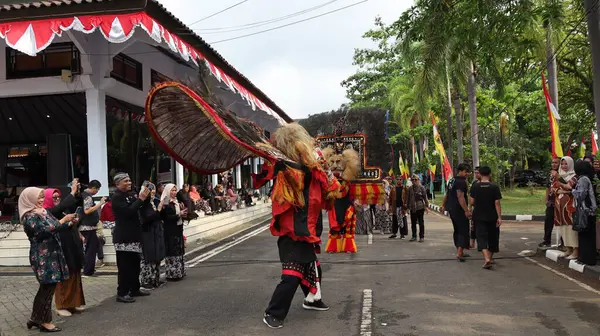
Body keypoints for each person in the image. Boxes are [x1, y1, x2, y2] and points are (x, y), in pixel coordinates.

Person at [254, 123, 340, 329]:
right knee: (291, 275)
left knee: (313, 268)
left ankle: (312, 299)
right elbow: (265, 175)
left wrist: (326, 169)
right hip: (292, 232)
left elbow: (333, 189)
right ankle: (273, 312)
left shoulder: (317, 167)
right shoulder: (283, 165)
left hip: (309, 230)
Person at [20, 187, 77, 332]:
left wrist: (68, 223)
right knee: (47, 287)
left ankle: (35, 318)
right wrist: (63, 220)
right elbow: (43, 231)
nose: (40, 200)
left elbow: (55, 226)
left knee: (47, 288)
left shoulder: (44, 212)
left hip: (53, 254)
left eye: (41, 197)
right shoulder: (29, 216)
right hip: (42, 256)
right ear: (29, 199)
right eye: (37, 198)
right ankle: (44, 322)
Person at [43, 182, 86, 318]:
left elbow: (71, 209)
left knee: (74, 273)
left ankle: (72, 303)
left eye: (58, 197)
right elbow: (59, 213)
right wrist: (72, 192)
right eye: (53, 197)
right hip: (58, 248)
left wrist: (73, 223)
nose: (56, 199)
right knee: (64, 276)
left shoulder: (61, 210)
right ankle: (61, 305)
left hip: (71, 245)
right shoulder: (46, 212)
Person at [111, 173, 151, 303]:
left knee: (135, 264)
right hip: (123, 237)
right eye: (126, 181)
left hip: (134, 235)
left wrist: (145, 197)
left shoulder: (130, 195)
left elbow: (139, 206)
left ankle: (134, 288)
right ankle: (122, 292)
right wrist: (140, 199)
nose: (129, 183)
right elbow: (128, 212)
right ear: (117, 184)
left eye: (129, 180)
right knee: (124, 266)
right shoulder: (116, 197)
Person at [469, 166, 502, 269]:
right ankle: (490, 258)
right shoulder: (494, 187)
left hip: (478, 215)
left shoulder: (475, 186)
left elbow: (472, 201)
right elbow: (497, 202)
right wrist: (499, 217)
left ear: (480, 174)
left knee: (481, 237)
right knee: (493, 237)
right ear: (490, 174)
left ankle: (486, 258)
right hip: (492, 216)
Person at [442, 163, 471, 261]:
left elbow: (447, 194)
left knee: (457, 229)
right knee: (463, 230)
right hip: (459, 209)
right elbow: (460, 196)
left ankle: (460, 251)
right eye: (466, 172)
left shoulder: (452, 180)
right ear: (461, 171)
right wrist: (466, 210)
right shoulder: (461, 182)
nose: (468, 174)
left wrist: (443, 205)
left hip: (451, 209)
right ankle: (459, 253)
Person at [140, 183, 167, 289]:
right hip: (147, 233)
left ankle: (156, 279)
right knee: (149, 256)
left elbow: (162, 216)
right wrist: (158, 210)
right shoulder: (142, 205)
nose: (153, 192)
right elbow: (146, 218)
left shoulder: (155, 202)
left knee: (157, 255)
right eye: (150, 190)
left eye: (154, 190)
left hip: (157, 231)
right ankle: (147, 281)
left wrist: (163, 208)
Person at [159, 183, 188, 281]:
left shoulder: (177, 201)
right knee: (172, 251)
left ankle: (179, 272)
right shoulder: (165, 203)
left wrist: (183, 213)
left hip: (178, 228)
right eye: (172, 190)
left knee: (179, 250)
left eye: (175, 190)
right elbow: (166, 218)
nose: (174, 192)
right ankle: (172, 273)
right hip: (170, 230)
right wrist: (179, 214)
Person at [572, 160, 597, 265]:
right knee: (586, 235)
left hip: (585, 210)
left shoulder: (583, 179)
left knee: (585, 235)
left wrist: (572, 191)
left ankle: (586, 259)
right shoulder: (587, 178)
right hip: (589, 210)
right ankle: (584, 258)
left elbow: (580, 195)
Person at [553, 156, 579, 259]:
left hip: (569, 207)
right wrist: (560, 190)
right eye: (562, 164)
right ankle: (568, 249)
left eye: (566, 164)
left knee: (571, 228)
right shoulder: (560, 174)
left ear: (571, 164)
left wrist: (560, 183)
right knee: (562, 228)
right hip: (559, 208)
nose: (563, 166)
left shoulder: (574, 176)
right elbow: (553, 189)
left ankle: (576, 250)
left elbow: (569, 187)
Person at [79, 180, 106, 277]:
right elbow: (87, 211)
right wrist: (100, 204)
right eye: (97, 189)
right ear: (94, 188)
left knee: (91, 248)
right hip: (88, 227)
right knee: (91, 249)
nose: (97, 192)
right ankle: (88, 271)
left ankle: (89, 269)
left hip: (88, 227)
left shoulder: (84, 195)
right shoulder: (87, 197)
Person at [539, 157, 561, 247]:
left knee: (561, 222)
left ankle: (563, 242)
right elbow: (548, 187)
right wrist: (547, 200)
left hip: (560, 201)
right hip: (551, 201)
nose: (554, 164)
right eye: (552, 162)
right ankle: (546, 240)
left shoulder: (562, 173)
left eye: (556, 163)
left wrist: (557, 176)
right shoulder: (550, 174)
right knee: (548, 220)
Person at [406, 174, 429, 242]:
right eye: (412, 180)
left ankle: (421, 237)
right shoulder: (410, 188)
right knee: (413, 223)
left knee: (421, 223)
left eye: (415, 180)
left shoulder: (422, 188)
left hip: (420, 207)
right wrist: (407, 207)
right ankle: (414, 236)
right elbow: (408, 198)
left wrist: (427, 206)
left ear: (418, 180)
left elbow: (425, 197)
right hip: (413, 208)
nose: (414, 181)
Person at [470, 167, 481, 248]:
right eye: (475, 173)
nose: (476, 174)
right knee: (473, 226)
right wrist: (469, 207)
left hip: (485, 209)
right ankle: (472, 243)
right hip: (476, 208)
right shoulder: (474, 183)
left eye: (478, 173)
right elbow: (471, 196)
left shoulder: (489, 183)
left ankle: (482, 244)